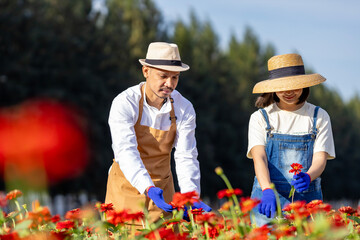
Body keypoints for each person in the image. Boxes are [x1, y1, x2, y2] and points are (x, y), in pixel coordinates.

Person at [105, 42, 211, 225]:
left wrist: (189, 196)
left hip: (162, 188)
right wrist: (147, 187)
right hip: (125, 186)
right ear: (146, 71)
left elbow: (186, 156)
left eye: (175, 78)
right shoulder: (125, 103)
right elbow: (125, 151)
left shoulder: (184, 108)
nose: (169, 84)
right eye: (163, 76)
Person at [247, 53, 335, 226]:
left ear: (304, 85)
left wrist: (308, 176)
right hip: (268, 199)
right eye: (282, 87)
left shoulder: (319, 116)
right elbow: (259, 157)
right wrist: (266, 189)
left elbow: (320, 158)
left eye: (294, 86)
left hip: (306, 200)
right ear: (273, 88)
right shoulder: (260, 118)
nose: (288, 92)